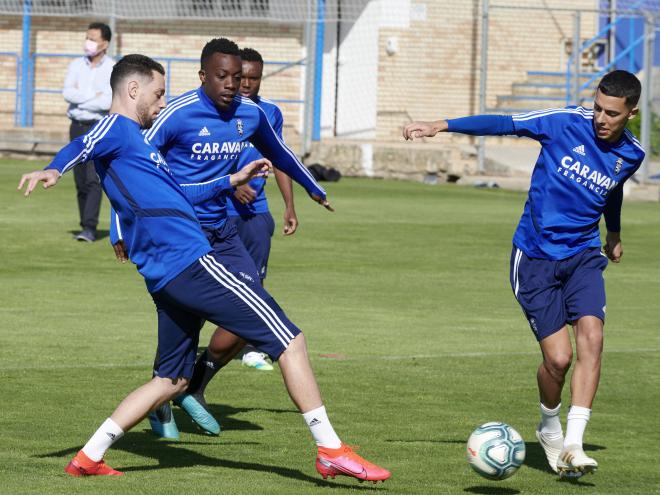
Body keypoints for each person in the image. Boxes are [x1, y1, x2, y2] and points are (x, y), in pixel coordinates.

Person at [18, 54, 391, 483]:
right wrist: (53, 168)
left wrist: (232, 182)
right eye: (158, 94)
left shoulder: (139, 147)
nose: (162, 103)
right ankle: (331, 450)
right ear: (134, 90)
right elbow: (85, 142)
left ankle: (88, 457)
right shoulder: (117, 129)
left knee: (172, 380)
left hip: (166, 275)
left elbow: (182, 192)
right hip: (189, 264)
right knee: (290, 339)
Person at [403, 70, 645, 478]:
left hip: (584, 254)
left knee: (593, 336)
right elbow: (505, 123)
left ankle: (573, 443)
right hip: (534, 256)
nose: (601, 119)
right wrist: (440, 125)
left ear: (631, 113)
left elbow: (613, 187)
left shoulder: (632, 154)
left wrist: (614, 232)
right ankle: (549, 425)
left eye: (612, 114)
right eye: (598, 109)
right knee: (558, 360)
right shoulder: (563, 121)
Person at [110, 39, 320, 440]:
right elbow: (131, 169)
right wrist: (119, 227)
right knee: (184, 319)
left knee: (252, 305)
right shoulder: (176, 113)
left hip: (230, 227)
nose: (237, 85)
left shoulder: (259, 114)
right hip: (182, 232)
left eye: (243, 78)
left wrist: (306, 191)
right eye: (227, 76)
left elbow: (281, 156)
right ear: (205, 75)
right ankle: (167, 393)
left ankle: (191, 383)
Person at [227, 46, 299, 372]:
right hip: (220, 211)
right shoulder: (220, 112)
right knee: (214, 281)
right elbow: (204, 159)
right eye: (243, 77)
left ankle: (253, 347)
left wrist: (289, 206)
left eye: (254, 79)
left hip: (257, 211)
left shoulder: (269, 113)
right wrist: (233, 184)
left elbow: (281, 159)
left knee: (254, 279)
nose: (247, 84)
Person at [62, 22, 114, 242]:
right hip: (76, 126)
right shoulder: (76, 65)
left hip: (97, 128)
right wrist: (92, 95)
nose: (89, 42)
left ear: (104, 43)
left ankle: (90, 228)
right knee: (80, 179)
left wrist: (82, 96)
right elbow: (68, 93)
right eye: (87, 37)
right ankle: (84, 224)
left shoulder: (112, 67)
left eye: (93, 38)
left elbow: (108, 101)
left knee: (93, 178)